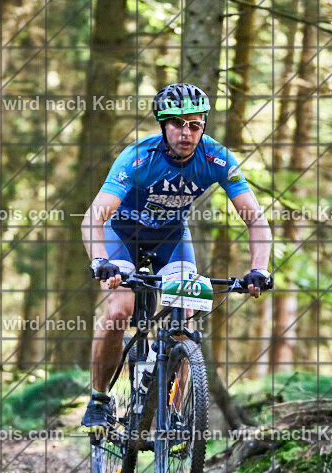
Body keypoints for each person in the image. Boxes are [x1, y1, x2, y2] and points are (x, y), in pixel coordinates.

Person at [79, 82, 273, 434]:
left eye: (195, 125)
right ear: (162, 125)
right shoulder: (137, 157)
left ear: (203, 127)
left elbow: (255, 219)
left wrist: (259, 268)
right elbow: (94, 217)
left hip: (171, 237)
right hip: (124, 235)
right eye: (177, 124)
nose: (187, 133)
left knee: (185, 321)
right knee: (118, 310)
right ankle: (98, 400)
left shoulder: (217, 159)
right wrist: (99, 260)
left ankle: (175, 415)